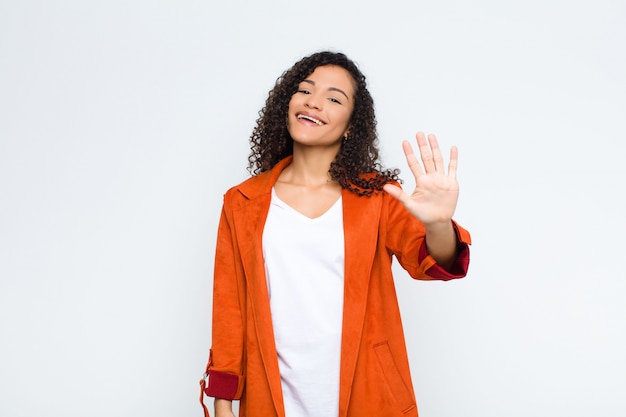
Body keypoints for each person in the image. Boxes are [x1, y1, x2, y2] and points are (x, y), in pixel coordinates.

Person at [199, 51, 471, 417]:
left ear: (349, 126)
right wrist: (222, 401)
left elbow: (434, 261)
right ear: (288, 103)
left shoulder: (378, 196)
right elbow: (229, 307)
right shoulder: (242, 201)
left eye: (333, 98)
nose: (314, 102)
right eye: (305, 90)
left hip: (369, 392)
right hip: (270, 395)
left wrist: (438, 222)